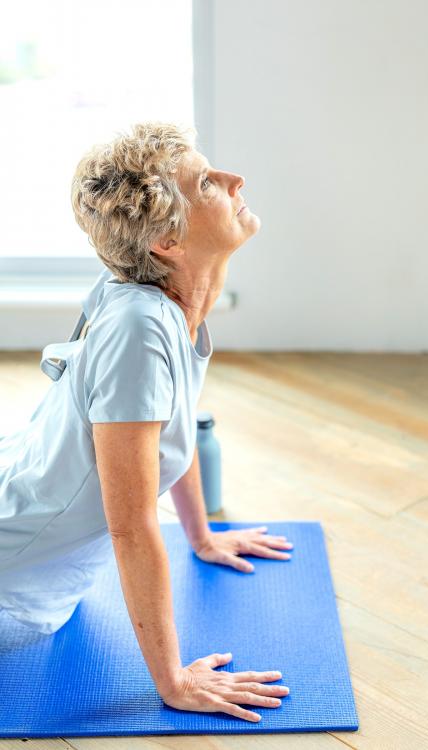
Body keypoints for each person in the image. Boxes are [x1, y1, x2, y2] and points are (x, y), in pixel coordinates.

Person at [0, 121, 292, 722]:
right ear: (167, 240)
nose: (235, 180)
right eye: (208, 183)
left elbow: (168, 432)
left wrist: (202, 537)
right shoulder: (139, 328)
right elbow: (130, 525)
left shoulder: (174, 303)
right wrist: (174, 682)